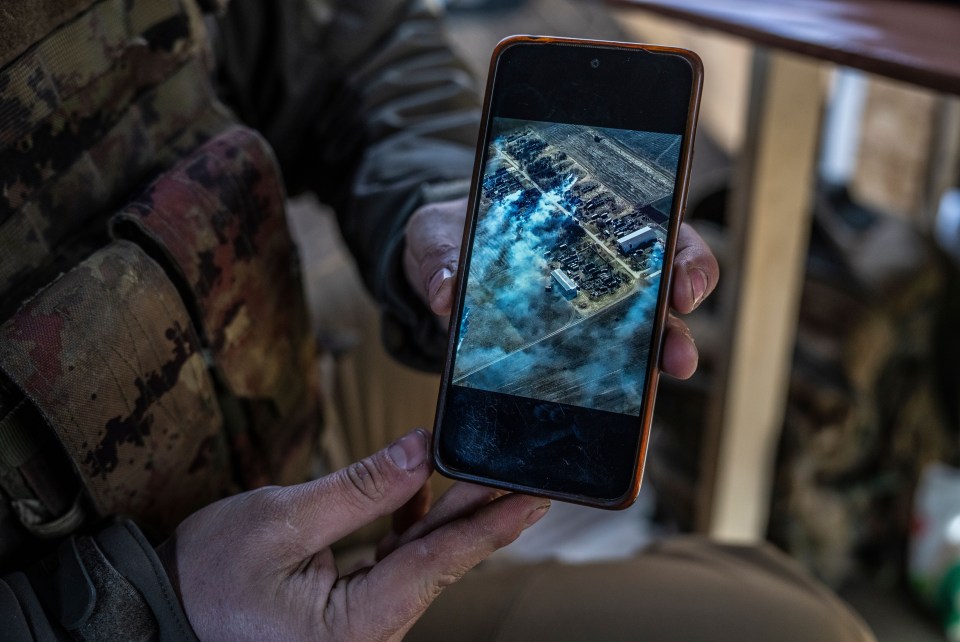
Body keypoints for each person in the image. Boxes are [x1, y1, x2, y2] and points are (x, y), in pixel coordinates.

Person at [0, 0, 874, 639]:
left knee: (563, 321)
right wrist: (135, 614)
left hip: (266, 393)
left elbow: (355, 44)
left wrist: (437, 201)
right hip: (156, 600)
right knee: (786, 622)